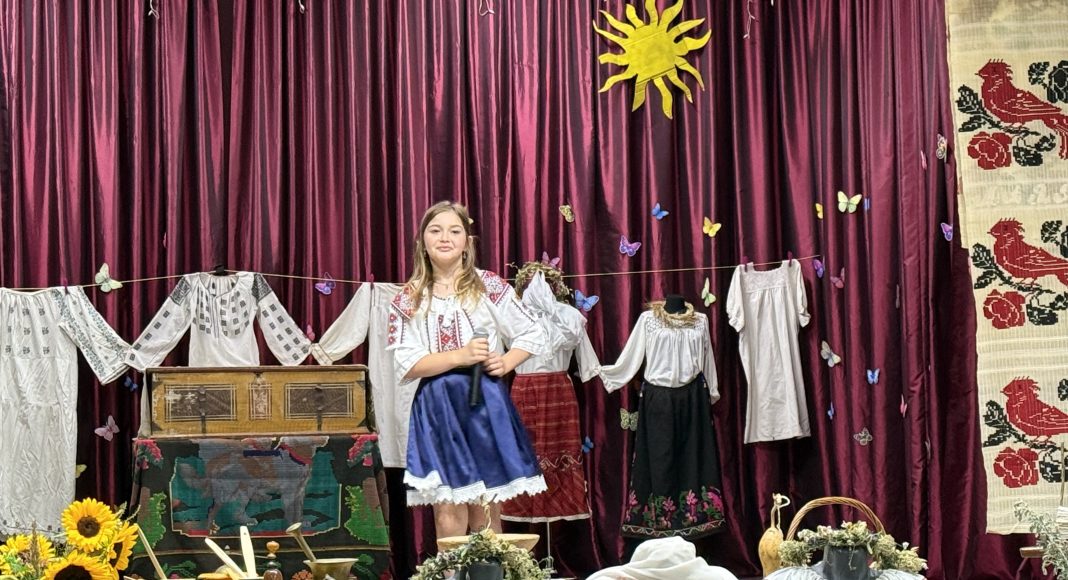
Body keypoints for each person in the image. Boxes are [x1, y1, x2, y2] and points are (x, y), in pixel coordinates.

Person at [387, 201, 548, 540]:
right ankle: (452, 567)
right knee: (447, 507)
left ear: (466, 242)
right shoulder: (409, 298)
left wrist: (507, 361)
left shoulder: (488, 285)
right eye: (435, 230)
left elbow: (533, 332)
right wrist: (460, 355)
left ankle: (490, 567)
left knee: (485, 504)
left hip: (484, 403)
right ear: (422, 242)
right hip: (438, 406)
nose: (444, 238)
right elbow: (408, 363)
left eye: (454, 231)